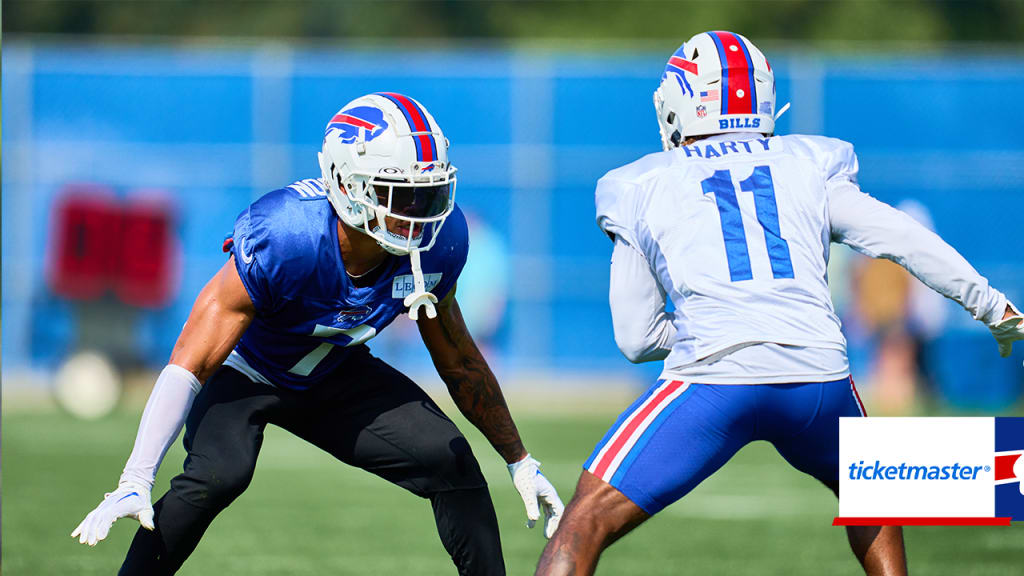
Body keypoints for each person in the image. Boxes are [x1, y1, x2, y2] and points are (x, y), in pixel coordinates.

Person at [536, 31, 1024, 576]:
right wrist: (992, 307)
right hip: (818, 379)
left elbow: (635, 339)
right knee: (876, 492)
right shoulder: (809, 163)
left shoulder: (642, 183)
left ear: (681, 100)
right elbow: (902, 237)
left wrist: (717, 321)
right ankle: (1002, 474)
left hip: (714, 382)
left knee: (584, 520)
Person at [71, 92, 564, 575]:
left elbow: (458, 359)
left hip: (332, 369)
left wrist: (518, 458)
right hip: (247, 369)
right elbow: (194, 358)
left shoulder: (437, 243)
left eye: (427, 192)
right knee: (218, 475)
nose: (418, 213)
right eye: (401, 193)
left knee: (451, 463)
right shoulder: (289, 235)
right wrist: (137, 474)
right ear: (347, 186)